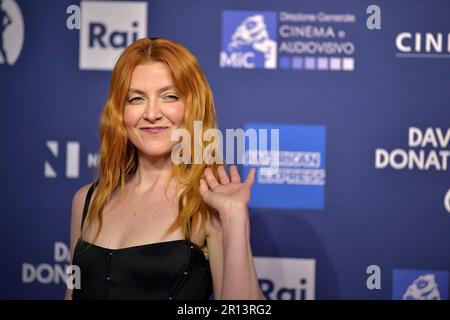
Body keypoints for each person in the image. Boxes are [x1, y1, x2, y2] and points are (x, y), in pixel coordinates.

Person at [65, 38, 264, 300]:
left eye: (169, 96)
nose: (151, 113)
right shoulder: (87, 201)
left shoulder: (207, 207)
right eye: (136, 99)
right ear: (119, 112)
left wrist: (234, 217)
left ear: (193, 106)